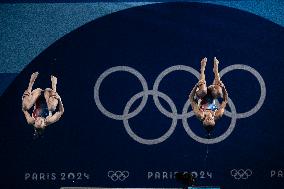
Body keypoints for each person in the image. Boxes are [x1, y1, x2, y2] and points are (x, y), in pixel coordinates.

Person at [189, 57, 228, 132]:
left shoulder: (200, 114)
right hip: (212, 92)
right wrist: (223, 87)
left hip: (201, 94)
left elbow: (191, 99)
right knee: (219, 92)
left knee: (203, 91)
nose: (209, 119)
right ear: (214, 120)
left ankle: (202, 68)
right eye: (211, 120)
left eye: (207, 120)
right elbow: (225, 100)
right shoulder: (218, 114)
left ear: (203, 121)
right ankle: (216, 70)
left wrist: (196, 86)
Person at [22, 72, 64, 137]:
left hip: (37, 94)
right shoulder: (50, 120)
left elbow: (24, 109)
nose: (38, 119)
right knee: (52, 108)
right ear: (44, 124)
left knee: (26, 107)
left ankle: (31, 83)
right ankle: (54, 84)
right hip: (48, 94)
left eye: (36, 122)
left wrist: (24, 98)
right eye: (40, 122)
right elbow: (61, 111)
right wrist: (59, 99)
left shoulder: (30, 121)